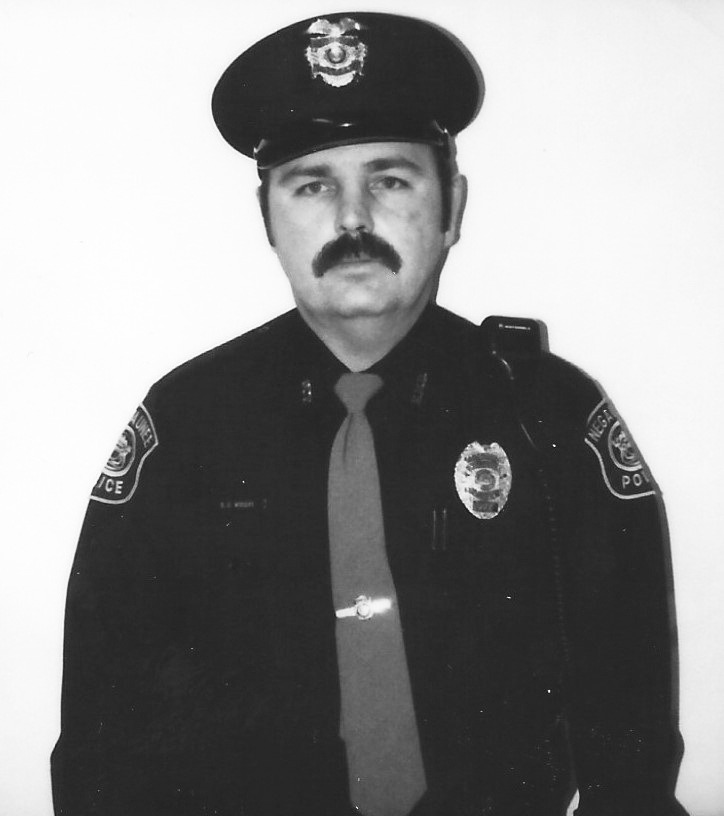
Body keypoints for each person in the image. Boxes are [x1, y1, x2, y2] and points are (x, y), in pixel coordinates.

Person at [51, 11, 688, 816]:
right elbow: (104, 729)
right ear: (267, 219)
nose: (352, 220)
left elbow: (630, 713)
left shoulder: (547, 411)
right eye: (313, 185)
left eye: (390, 180)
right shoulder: (188, 424)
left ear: (451, 208)